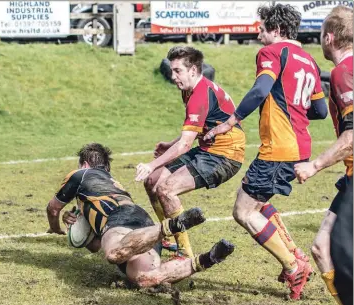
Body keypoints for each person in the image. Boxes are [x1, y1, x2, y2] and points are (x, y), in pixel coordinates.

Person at [203, 4, 328, 300]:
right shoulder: (310, 60)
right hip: (300, 146)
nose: (258, 33)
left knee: (243, 211)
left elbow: (260, 91)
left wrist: (229, 123)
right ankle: (295, 254)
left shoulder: (272, 53)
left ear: (277, 30)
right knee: (256, 203)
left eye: (262, 28)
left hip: (279, 147)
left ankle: (293, 265)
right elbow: (321, 110)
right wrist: (294, 111)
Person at [46, 143, 236, 287]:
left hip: (119, 219)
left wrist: (56, 229)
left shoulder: (81, 175)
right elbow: (95, 245)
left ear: (85, 164)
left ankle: (171, 226)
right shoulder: (111, 184)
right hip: (141, 223)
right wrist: (77, 222)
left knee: (113, 254)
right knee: (146, 279)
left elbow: (52, 209)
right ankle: (206, 259)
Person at [135, 46, 246, 258]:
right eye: (172, 70)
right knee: (152, 181)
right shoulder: (190, 90)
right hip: (208, 149)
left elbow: (185, 146)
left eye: (177, 71)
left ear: (193, 70)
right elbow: (193, 131)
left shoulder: (199, 94)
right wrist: (170, 144)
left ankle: (184, 254)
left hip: (225, 156)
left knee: (166, 190)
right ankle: (165, 238)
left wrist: (151, 164)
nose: (172, 76)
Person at [294, 6, 353, 305]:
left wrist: (314, 165)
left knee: (339, 253)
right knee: (321, 246)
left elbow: (352, 137)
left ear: (329, 37)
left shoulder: (344, 72)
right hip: (350, 176)